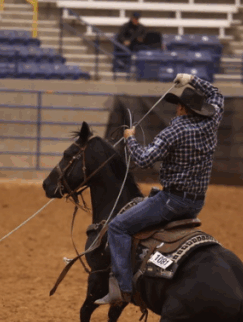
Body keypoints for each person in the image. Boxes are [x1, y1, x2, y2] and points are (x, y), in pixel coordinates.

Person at [96, 73, 224, 305]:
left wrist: (129, 139)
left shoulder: (174, 131)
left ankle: (122, 288)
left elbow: (144, 160)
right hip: (196, 203)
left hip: (172, 202)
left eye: (178, 106)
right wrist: (192, 79)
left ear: (184, 109)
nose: (175, 109)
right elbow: (217, 94)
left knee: (118, 227)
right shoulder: (211, 122)